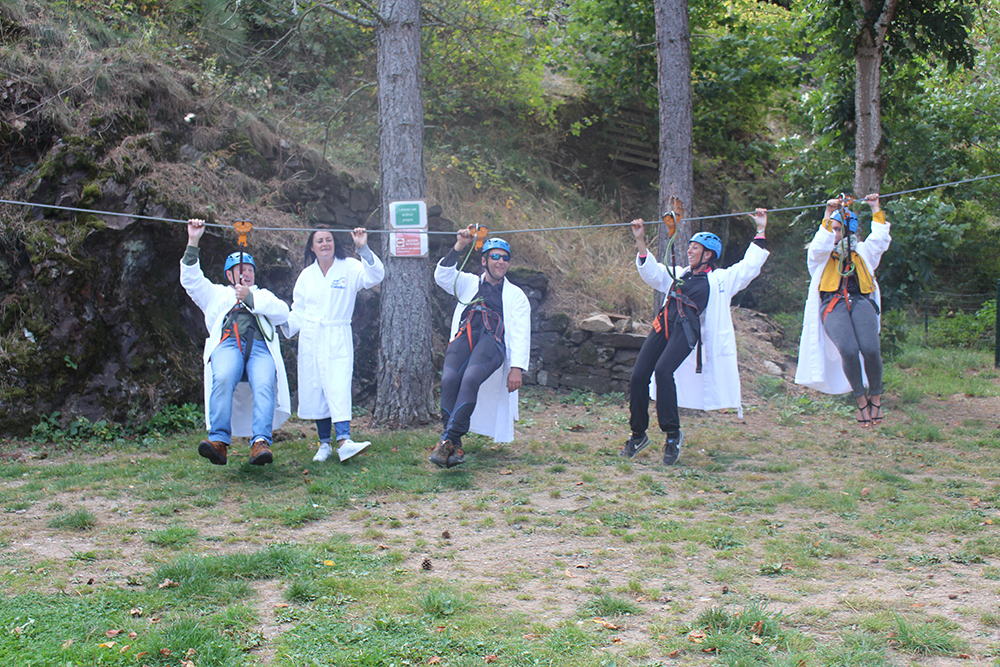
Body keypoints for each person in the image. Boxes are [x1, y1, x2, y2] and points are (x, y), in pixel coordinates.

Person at [621, 209, 770, 465]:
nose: (689, 251)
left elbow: (749, 267)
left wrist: (760, 229)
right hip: (664, 326)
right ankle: (638, 434)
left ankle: (672, 434)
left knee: (663, 371)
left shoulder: (721, 280)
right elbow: (652, 272)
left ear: (708, 254)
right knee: (638, 376)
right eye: (689, 247)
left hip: (687, 332)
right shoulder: (678, 273)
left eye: (695, 248)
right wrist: (640, 240)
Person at [180, 218, 291, 466]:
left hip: (260, 348)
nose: (247, 273)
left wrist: (250, 298)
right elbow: (191, 280)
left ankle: (260, 441)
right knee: (223, 376)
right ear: (229, 275)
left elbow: (283, 312)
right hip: (228, 345)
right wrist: (193, 240)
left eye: (250, 269)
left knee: (264, 382)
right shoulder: (217, 294)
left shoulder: (262, 295)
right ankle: (218, 441)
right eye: (241, 270)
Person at [282, 226, 385, 462]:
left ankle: (345, 441)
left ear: (334, 243)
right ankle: (324, 444)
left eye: (328, 240)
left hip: (337, 333)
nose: (325, 244)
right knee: (316, 387)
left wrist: (363, 248)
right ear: (312, 246)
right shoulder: (307, 275)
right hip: (312, 336)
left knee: (337, 386)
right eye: (320, 241)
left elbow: (375, 276)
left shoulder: (349, 267)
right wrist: (283, 324)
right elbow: (298, 309)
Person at [430, 228, 531, 468]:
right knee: (449, 380)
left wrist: (516, 367)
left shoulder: (516, 296)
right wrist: (459, 245)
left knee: (471, 378)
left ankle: (447, 439)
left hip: (492, 343)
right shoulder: (467, 282)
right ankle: (454, 447)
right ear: (484, 260)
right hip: (465, 336)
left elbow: (520, 333)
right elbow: (442, 276)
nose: (501, 262)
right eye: (495, 256)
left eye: (505, 258)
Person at [795, 194, 890, 427]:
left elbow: (880, 239)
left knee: (870, 348)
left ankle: (875, 397)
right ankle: (860, 400)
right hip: (833, 304)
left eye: (838, 229)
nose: (834, 234)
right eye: (832, 229)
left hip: (860, 300)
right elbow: (819, 245)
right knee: (848, 350)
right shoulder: (821, 256)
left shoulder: (863, 252)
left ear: (848, 231)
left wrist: (875, 207)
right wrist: (828, 214)